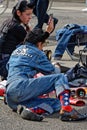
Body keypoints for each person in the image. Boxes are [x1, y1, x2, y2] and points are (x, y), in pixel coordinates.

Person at [5, 24, 87, 121]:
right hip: (21, 88)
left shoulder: (16, 51)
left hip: (10, 97)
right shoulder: (37, 53)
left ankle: (30, 110)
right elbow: (53, 73)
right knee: (60, 77)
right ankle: (67, 110)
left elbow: (8, 69)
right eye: (43, 45)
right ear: (39, 43)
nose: (42, 47)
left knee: (56, 103)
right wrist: (56, 65)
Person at [0, 0, 34, 79]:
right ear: (18, 13)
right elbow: (34, 44)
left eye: (31, 14)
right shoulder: (17, 28)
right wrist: (48, 31)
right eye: (28, 14)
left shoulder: (7, 22)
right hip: (6, 64)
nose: (30, 17)